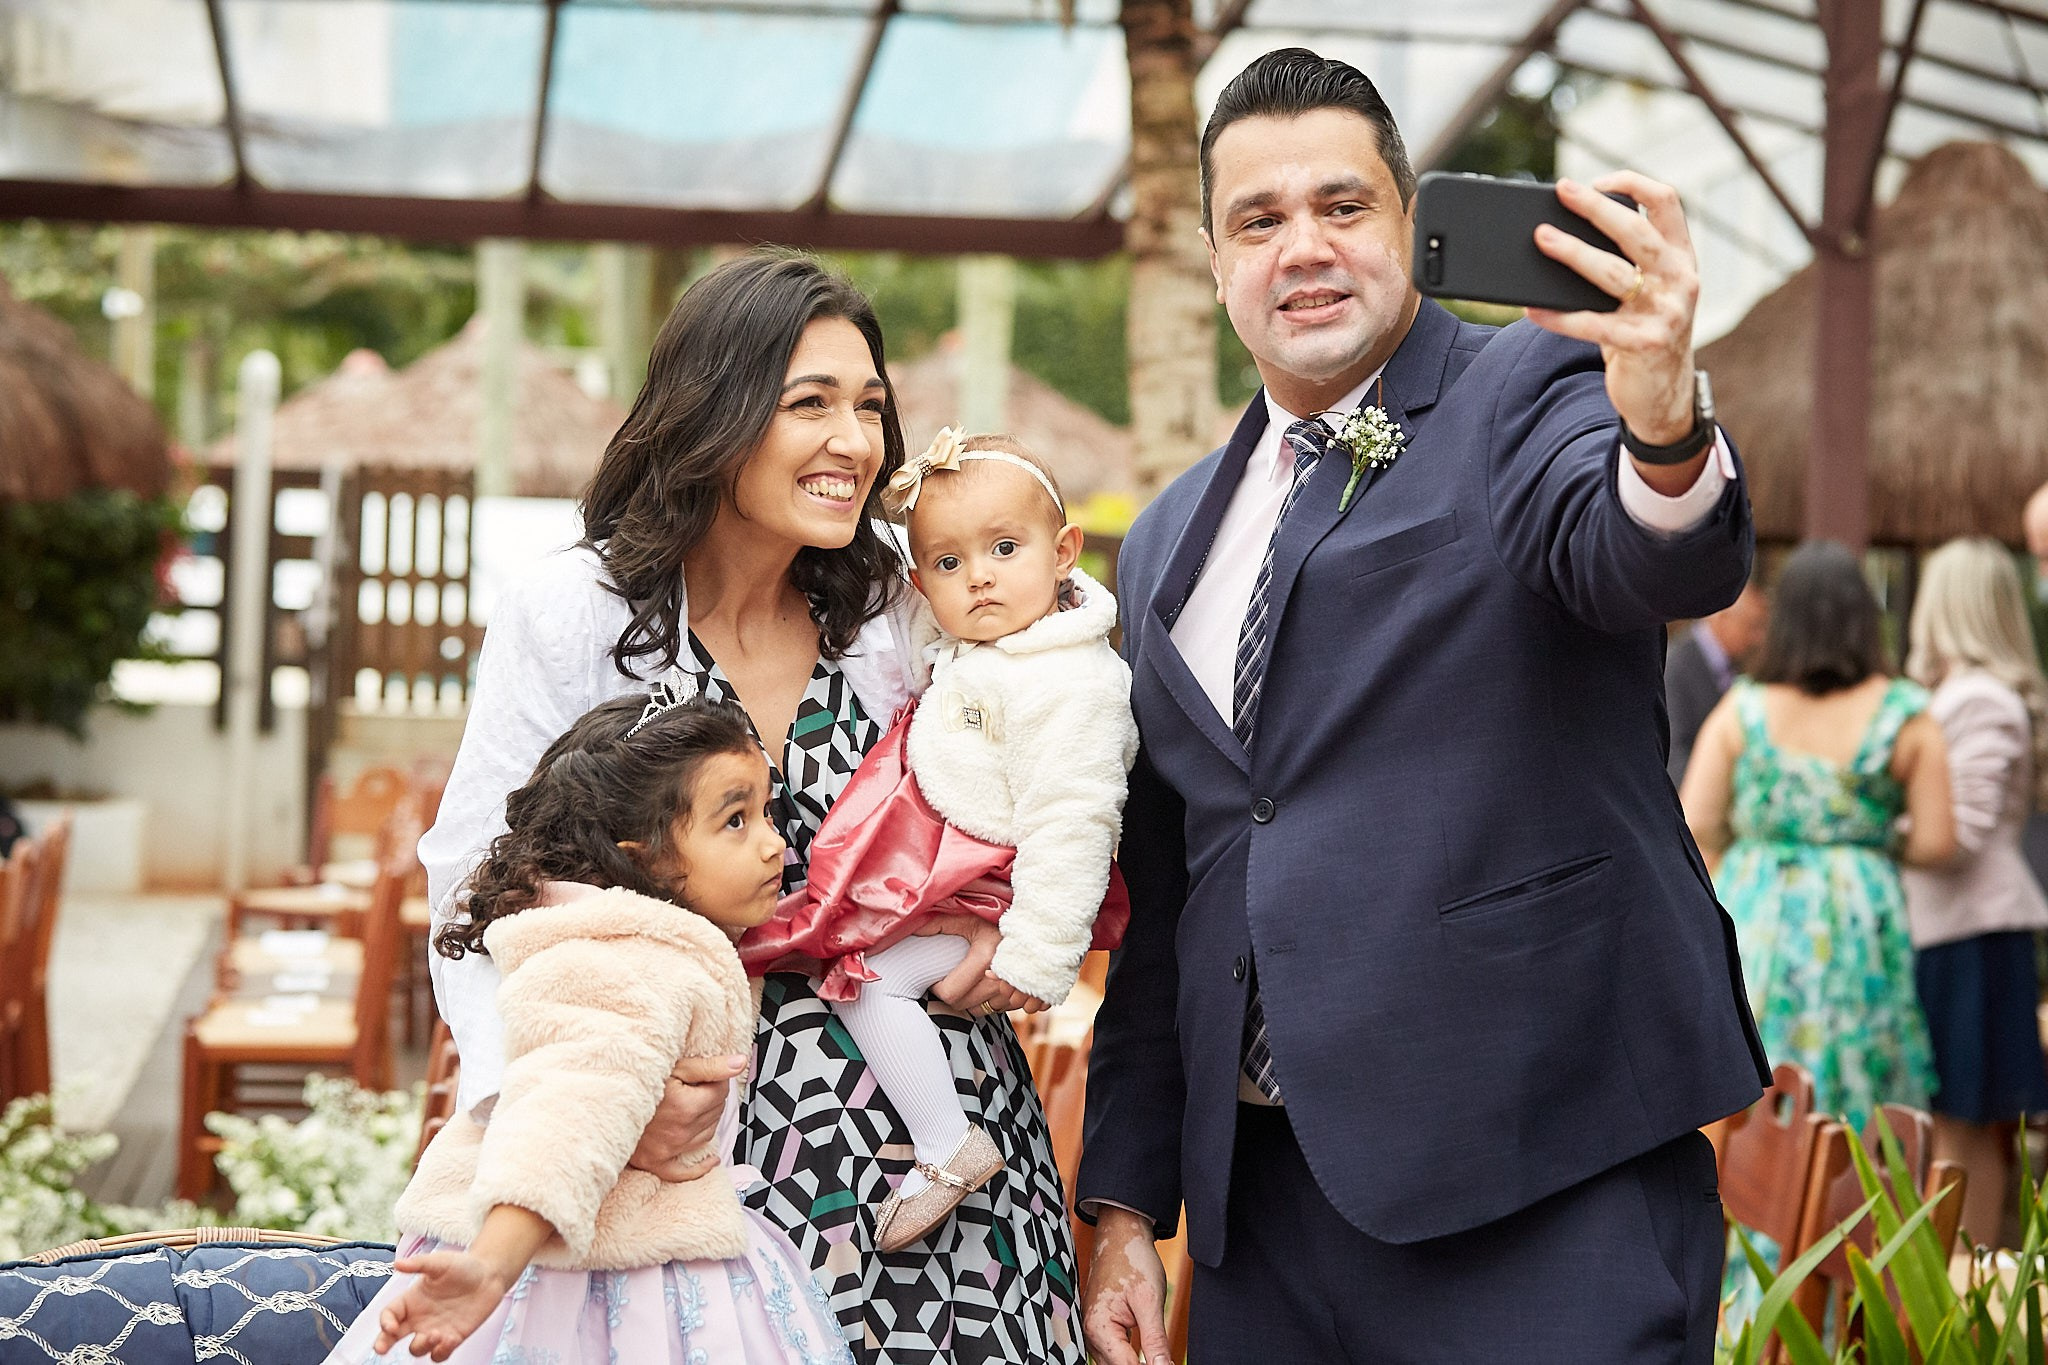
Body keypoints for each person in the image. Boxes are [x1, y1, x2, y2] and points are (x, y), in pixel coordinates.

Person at [1076, 46, 1769, 1365]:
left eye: (1343, 207)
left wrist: (1664, 418)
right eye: (1260, 221)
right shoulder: (1163, 540)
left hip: (1537, 1188)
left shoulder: (1527, 392)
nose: (1305, 248)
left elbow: (1647, 548)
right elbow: (1173, 901)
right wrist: (1121, 1201)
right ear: (1215, 263)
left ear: (1410, 222)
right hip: (1260, 1234)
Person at [421, 253, 1086, 1365]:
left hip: (937, 1153)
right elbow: (477, 885)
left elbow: (1053, 702)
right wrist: (571, 1105)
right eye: (808, 403)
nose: (854, 442)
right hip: (683, 1156)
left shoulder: (899, 599)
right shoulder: (576, 612)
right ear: (713, 412)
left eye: (869, 406)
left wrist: (997, 919)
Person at [323, 695, 850, 1364]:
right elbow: (569, 1106)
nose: (775, 841)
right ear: (649, 858)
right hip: (602, 1286)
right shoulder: (630, 959)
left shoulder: (620, 935)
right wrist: (491, 1263)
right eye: (736, 820)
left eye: (765, 812)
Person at [740, 429, 1137, 1253]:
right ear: (921, 584)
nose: (980, 575)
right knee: (832, 950)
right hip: (950, 873)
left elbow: (1077, 819)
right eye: (950, 565)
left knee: (868, 980)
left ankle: (944, 1141)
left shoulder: (1073, 681)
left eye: (1003, 547)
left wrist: (1035, 956)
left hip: (998, 891)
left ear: (1063, 551)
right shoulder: (980, 650)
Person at [1682, 540, 1953, 1126]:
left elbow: (1696, 820)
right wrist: (1867, 844)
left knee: (1754, 1085)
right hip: (1861, 919)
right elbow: (1937, 840)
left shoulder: (1743, 710)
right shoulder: (1906, 712)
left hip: (1757, 910)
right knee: (1859, 1086)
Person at [1902, 536, 2048, 1248]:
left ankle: (1960, 1298)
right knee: (1956, 1124)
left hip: (1970, 937)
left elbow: (1957, 835)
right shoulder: (1962, 696)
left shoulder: (1980, 699)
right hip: (1957, 935)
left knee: (1963, 1126)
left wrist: (1863, 828)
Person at [1665, 582, 1769, 787]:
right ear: (1724, 619)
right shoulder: (1675, 666)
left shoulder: (1741, 665)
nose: (1758, 638)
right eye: (1752, 626)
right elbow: (1673, 750)